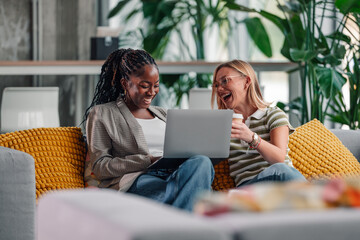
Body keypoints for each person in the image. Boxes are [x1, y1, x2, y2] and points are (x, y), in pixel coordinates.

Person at [84, 48, 214, 212]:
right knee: (187, 192)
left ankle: (176, 216)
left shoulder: (164, 114)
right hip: (139, 180)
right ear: (125, 83)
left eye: (156, 85)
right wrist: (148, 160)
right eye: (144, 86)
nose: (152, 92)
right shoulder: (102, 113)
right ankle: (187, 212)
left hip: (176, 175)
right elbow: (101, 167)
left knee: (202, 162)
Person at [211, 59, 306, 187]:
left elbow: (280, 159)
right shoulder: (222, 124)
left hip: (281, 181)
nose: (219, 89)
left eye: (225, 80)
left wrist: (251, 138)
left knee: (282, 170)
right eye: (216, 85)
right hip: (248, 188)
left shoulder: (273, 114)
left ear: (246, 81)